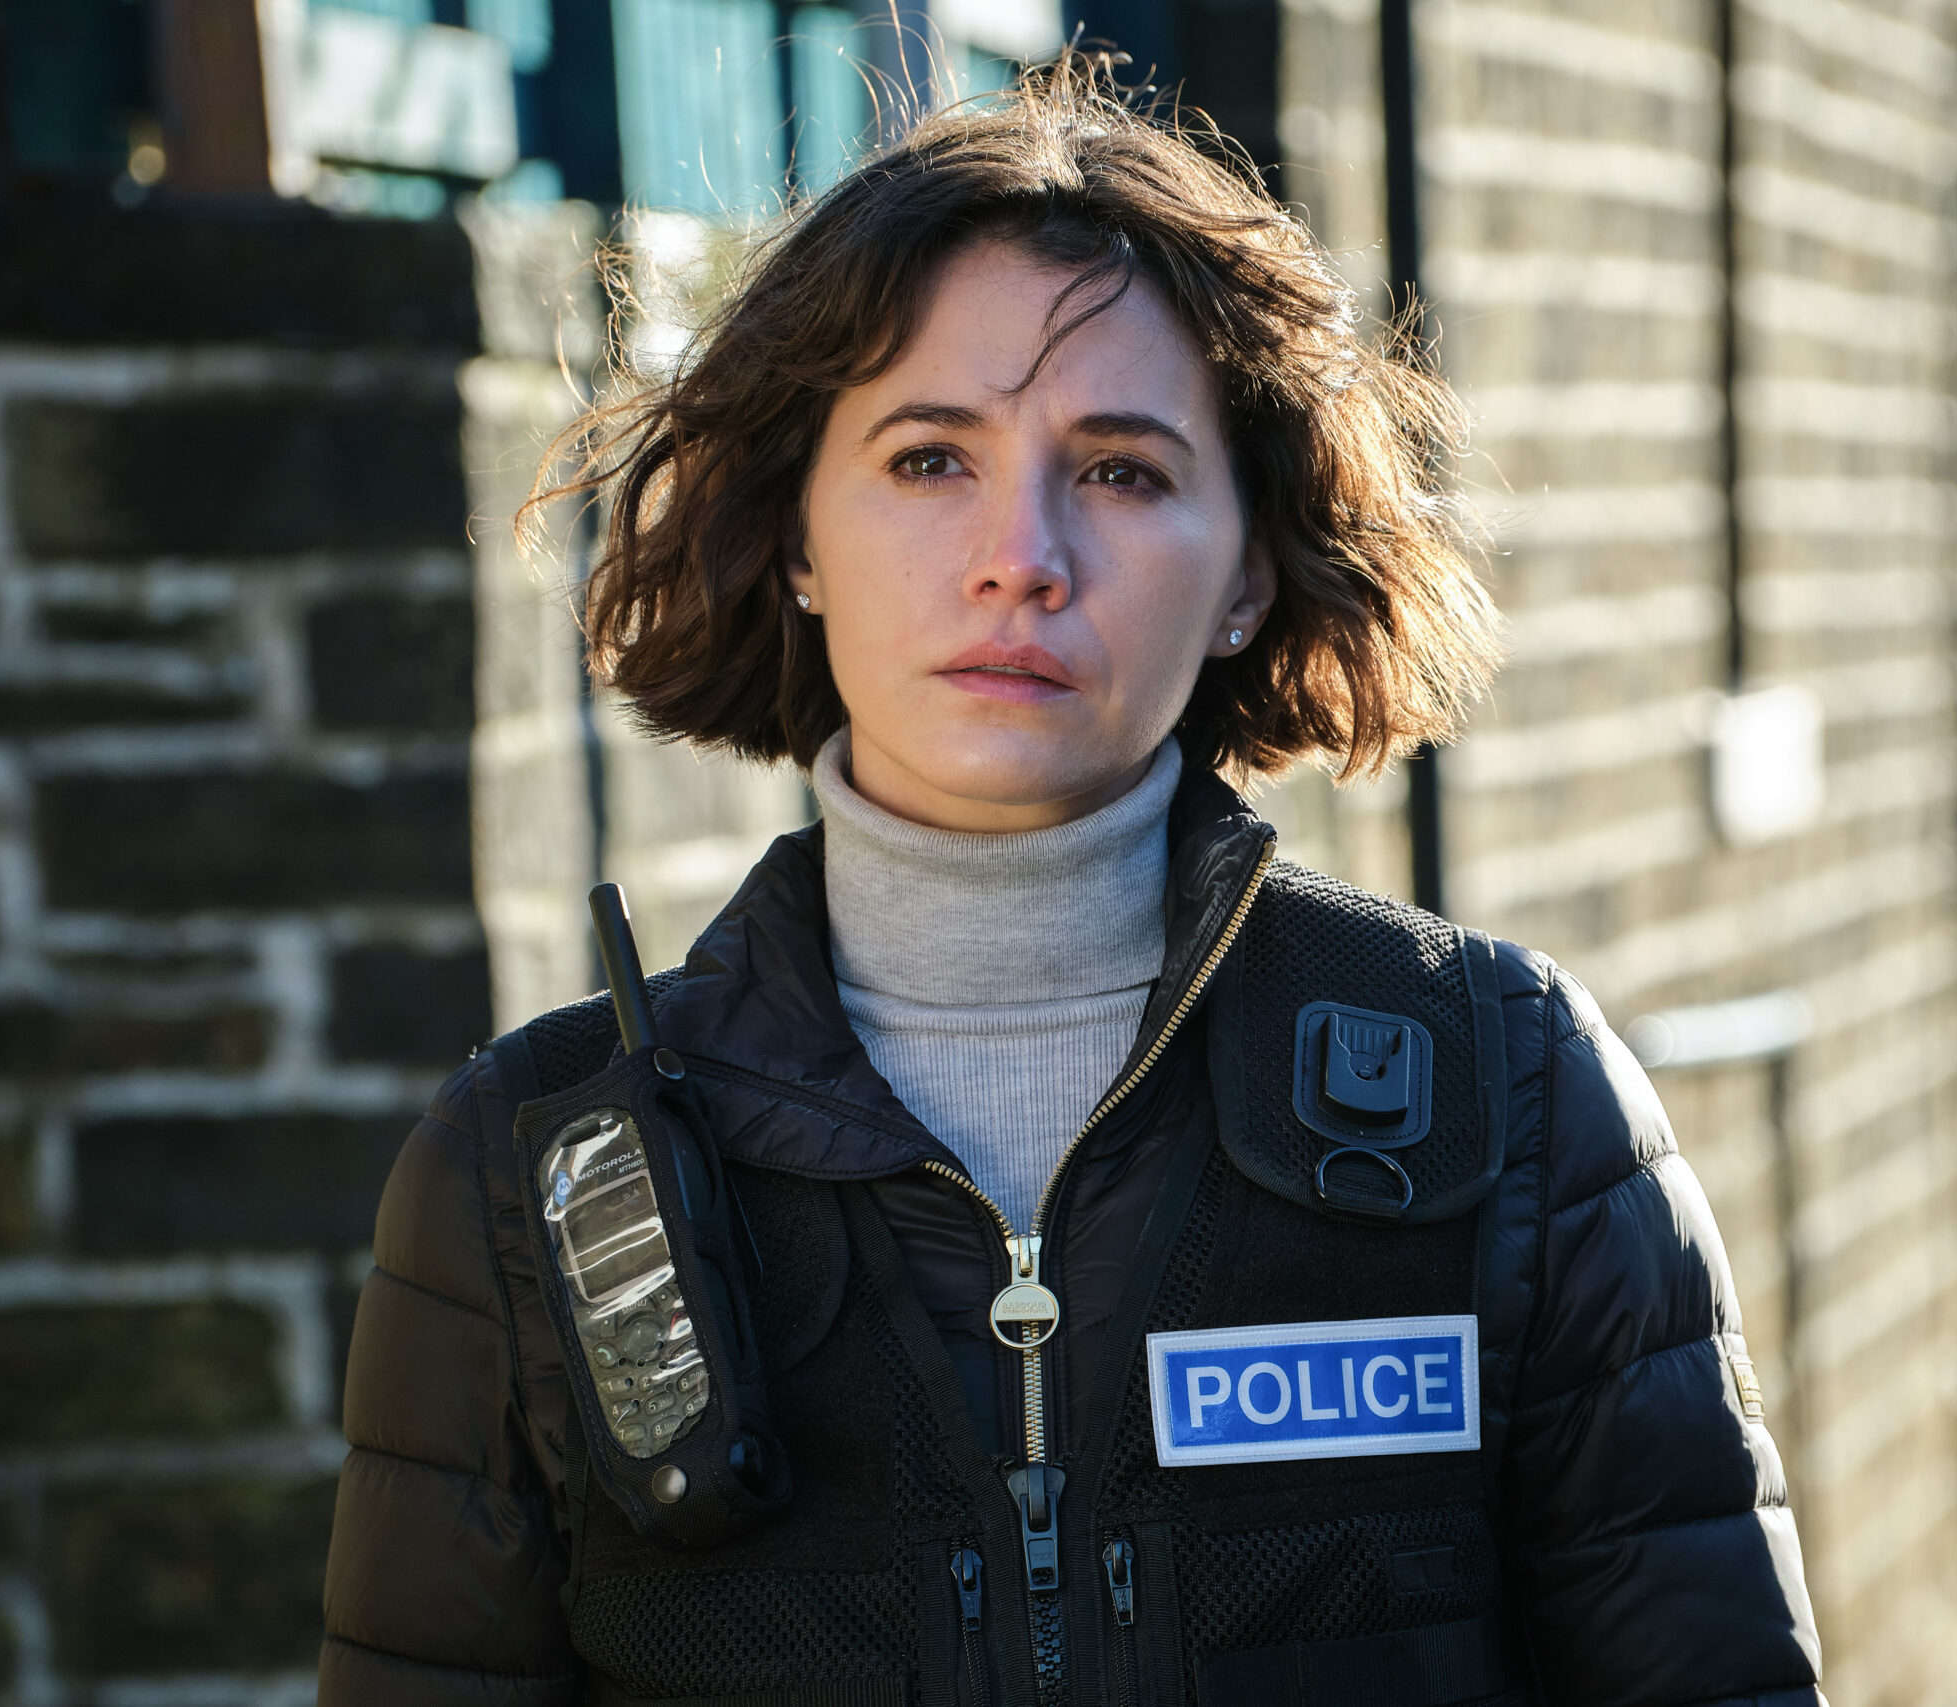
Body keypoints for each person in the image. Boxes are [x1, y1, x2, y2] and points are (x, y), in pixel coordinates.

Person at [319, 57, 1822, 1707]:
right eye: (926, 459)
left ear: (1250, 566)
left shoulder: (1511, 1092)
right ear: (801, 536)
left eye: (1120, 468)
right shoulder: (518, 1175)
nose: (1020, 552)